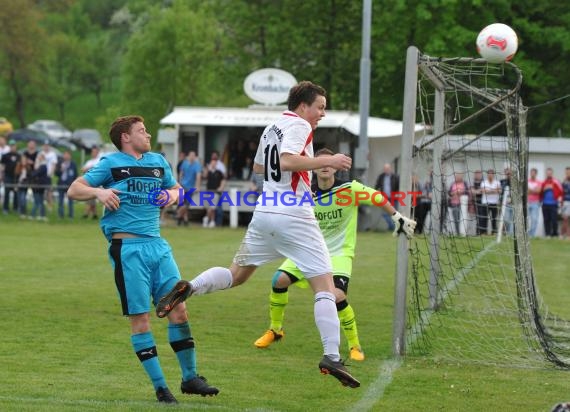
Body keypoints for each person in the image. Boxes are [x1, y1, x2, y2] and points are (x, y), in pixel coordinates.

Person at [156, 81, 415, 388]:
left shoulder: (272, 127)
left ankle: (188, 288)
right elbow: (288, 160)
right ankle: (331, 356)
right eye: (320, 106)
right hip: (294, 214)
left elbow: (258, 166)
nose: (322, 113)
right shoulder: (300, 126)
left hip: (267, 211)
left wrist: (293, 171)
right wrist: (326, 160)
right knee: (324, 286)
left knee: (236, 274)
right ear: (303, 105)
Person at [67, 115, 219, 403]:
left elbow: (179, 190)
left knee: (179, 309)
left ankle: (190, 378)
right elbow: (74, 189)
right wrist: (99, 192)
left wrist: (172, 196)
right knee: (141, 319)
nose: (147, 134)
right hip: (128, 249)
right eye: (141, 130)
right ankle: (161, 388)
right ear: (126, 137)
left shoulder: (159, 161)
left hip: (158, 247)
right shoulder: (111, 163)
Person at [253, 148, 415, 362]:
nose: (325, 167)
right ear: (314, 167)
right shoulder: (304, 192)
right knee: (278, 280)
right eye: (320, 163)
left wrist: (396, 216)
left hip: (338, 254)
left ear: (335, 167)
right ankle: (275, 330)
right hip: (309, 249)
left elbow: (376, 197)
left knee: (336, 296)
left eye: (329, 163)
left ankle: (354, 345)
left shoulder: (349, 189)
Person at [177, 151, 202, 226]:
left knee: (186, 205)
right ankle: (185, 220)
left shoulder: (197, 165)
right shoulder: (185, 163)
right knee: (182, 204)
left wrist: (197, 186)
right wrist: (179, 183)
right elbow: (181, 173)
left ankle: (178, 216)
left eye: (193, 156)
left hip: (190, 187)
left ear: (195, 157)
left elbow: (198, 177)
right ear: (188, 156)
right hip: (183, 186)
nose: (192, 157)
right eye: (191, 155)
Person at [202, 152, 226, 228]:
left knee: (212, 207)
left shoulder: (219, 172)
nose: (213, 164)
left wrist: (221, 187)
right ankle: (211, 221)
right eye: (212, 163)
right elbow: (204, 176)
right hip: (208, 191)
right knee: (209, 207)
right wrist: (206, 168)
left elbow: (223, 180)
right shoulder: (208, 172)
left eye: (215, 163)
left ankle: (207, 219)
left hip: (215, 192)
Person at [374, 163, 399, 231]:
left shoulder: (395, 177)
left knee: (394, 213)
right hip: (384, 198)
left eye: (387, 169)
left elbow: (398, 186)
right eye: (385, 169)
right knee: (385, 214)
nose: (386, 170)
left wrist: (397, 194)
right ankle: (392, 227)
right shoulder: (381, 177)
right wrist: (374, 193)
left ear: (390, 169)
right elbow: (377, 185)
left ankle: (394, 227)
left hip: (393, 198)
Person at [540, 167, 562, 238]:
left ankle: (555, 234)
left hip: (553, 204)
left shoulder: (556, 181)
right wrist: (545, 188)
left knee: (554, 220)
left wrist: (552, 187)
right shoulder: (543, 182)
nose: (549, 174)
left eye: (550, 172)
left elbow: (561, 191)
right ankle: (547, 234)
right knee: (546, 219)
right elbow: (540, 192)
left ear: (552, 173)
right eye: (547, 172)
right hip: (545, 204)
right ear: (546, 173)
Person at [55, 150, 77, 218]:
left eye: (68, 154)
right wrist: (61, 170)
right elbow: (56, 173)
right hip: (61, 184)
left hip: (70, 186)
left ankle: (71, 215)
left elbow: (75, 175)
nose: (66, 156)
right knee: (60, 201)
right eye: (65, 154)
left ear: (70, 156)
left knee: (70, 202)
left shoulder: (73, 164)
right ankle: (60, 215)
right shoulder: (60, 163)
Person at [1, 139, 20, 214]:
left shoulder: (19, 155)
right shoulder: (5, 155)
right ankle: (6, 208)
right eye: (11, 146)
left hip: (16, 177)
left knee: (16, 193)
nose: (13, 147)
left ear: (16, 146)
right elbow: (2, 166)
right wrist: (2, 175)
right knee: (7, 192)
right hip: (8, 176)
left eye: (14, 146)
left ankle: (15, 208)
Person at [81, 146, 101, 219]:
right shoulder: (89, 161)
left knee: (91, 197)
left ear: (97, 152)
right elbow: (83, 169)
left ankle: (86, 213)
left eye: (95, 152)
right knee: (91, 198)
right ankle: (94, 214)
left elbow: (97, 170)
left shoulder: (99, 160)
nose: (93, 153)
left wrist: (88, 169)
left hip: (96, 182)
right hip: (89, 182)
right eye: (92, 152)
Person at [30, 152, 50, 221]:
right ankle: (41, 215)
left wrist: (34, 174)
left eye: (41, 157)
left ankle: (35, 215)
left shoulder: (43, 166)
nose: (39, 158)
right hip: (36, 186)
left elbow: (35, 174)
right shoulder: (39, 165)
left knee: (38, 201)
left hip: (39, 186)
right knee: (39, 201)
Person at [480, 169, 501, 235]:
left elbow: (499, 191)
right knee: (484, 218)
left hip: (494, 203)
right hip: (485, 203)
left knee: (494, 218)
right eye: (489, 173)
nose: (490, 175)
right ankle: (484, 232)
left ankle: (494, 232)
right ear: (487, 174)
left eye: (492, 173)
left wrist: (488, 190)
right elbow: (483, 191)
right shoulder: (484, 182)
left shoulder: (497, 182)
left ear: (493, 174)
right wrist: (494, 190)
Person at [527, 168, 542, 238]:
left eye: (534, 173)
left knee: (534, 219)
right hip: (527, 202)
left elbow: (538, 191)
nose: (532, 174)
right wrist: (534, 190)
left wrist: (530, 190)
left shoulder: (539, 182)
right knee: (525, 219)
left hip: (535, 203)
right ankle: (525, 234)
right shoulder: (527, 181)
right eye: (531, 173)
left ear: (536, 174)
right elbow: (526, 191)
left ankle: (531, 235)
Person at [470, 170, 485, 235]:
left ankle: (482, 232)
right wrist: (478, 191)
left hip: (483, 202)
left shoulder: (484, 182)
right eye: (476, 174)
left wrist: (477, 191)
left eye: (479, 174)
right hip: (475, 202)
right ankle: (477, 232)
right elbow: (472, 191)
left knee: (482, 217)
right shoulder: (473, 182)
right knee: (477, 218)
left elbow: (482, 191)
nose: (477, 175)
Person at [500, 168, 513, 236]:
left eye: (510, 173)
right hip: (505, 204)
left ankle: (510, 234)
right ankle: (506, 232)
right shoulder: (502, 181)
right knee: (506, 219)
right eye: (507, 173)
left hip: (514, 204)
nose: (508, 175)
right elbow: (500, 192)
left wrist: (512, 198)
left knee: (513, 220)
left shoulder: (515, 182)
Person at [559, 167, 570, 239]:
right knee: (565, 218)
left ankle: (566, 235)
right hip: (565, 202)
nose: (568, 174)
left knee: (567, 219)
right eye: (567, 172)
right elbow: (561, 193)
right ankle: (563, 234)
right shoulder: (563, 182)